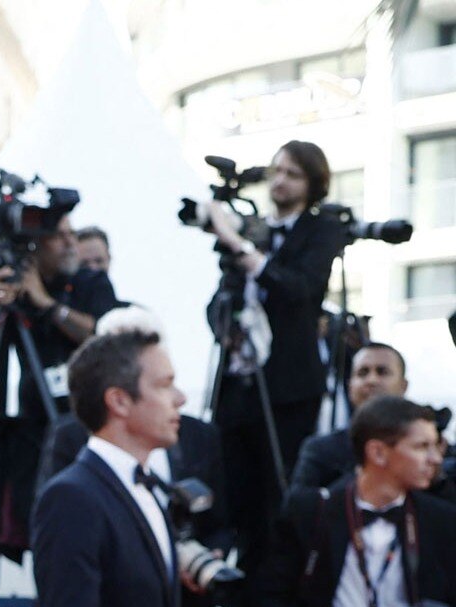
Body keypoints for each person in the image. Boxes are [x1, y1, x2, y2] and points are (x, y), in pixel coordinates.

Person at [203, 140, 346, 591]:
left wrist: (238, 245)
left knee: (278, 494)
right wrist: (225, 328)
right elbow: (220, 299)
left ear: (312, 184)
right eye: (277, 171)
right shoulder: (256, 228)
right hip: (238, 384)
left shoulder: (322, 230)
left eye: (293, 174)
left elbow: (300, 290)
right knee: (235, 493)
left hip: (288, 388)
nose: (280, 180)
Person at [0, 213, 118, 570]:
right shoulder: (17, 292)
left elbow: (104, 335)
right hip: (31, 434)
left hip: (84, 426)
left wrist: (45, 304)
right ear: (35, 246)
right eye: (59, 237)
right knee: (37, 527)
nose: (70, 243)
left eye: (71, 234)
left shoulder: (90, 284)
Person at [35, 308, 231, 607]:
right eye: (164, 385)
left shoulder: (148, 487)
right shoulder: (71, 497)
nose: (181, 399)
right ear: (119, 401)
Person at [260, 396, 456, 606]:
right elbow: (273, 594)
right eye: (421, 447)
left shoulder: (441, 519)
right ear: (378, 453)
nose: (435, 459)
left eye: (435, 446)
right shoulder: (309, 512)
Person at [291, 342, 408, 490]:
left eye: (382, 372)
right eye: (362, 373)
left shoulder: (427, 445)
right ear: (350, 386)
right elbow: (297, 507)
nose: (371, 380)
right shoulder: (320, 451)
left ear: (403, 386)